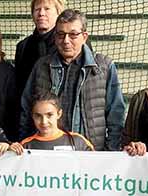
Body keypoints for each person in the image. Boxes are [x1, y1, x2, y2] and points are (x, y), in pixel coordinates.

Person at [19, 9, 125, 151]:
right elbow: (26, 109)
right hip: (46, 152)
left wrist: (110, 152)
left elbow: (115, 115)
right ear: (55, 37)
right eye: (61, 34)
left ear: (84, 36)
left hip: (90, 152)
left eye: (73, 35)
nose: (66, 41)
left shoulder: (104, 66)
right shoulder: (41, 66)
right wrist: (25, 147)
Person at [10, 91, 94, 154]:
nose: (44, 121)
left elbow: (95, 168)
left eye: (49, 115)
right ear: (32, 116)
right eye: (38, 116)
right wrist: (8, 151)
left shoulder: (78, 141)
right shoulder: (26, 145)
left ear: (59, 114)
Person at [14, 0, 64, 96]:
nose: (41, 13)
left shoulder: (68, 45)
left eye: (47, 9)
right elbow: (19, 86)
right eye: (37, 9)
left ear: (58, 13)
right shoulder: (22, 47)